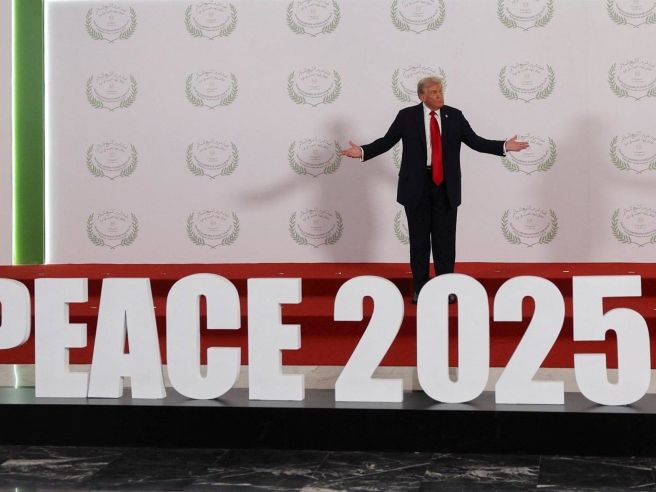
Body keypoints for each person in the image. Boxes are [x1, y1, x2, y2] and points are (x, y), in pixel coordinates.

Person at [341, 76, 528, 304]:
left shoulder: (455, 116)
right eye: (434, 92)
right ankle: (420, 288)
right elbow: (387, 141)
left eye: (440, 91)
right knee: (419, 242)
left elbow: (475, 141)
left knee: (445, 243)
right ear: (422, 96)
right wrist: (362, 151)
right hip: (415, 187)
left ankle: (445, 288)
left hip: (446, 187)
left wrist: (504, 146)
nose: (440, 95)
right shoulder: (406, 116)